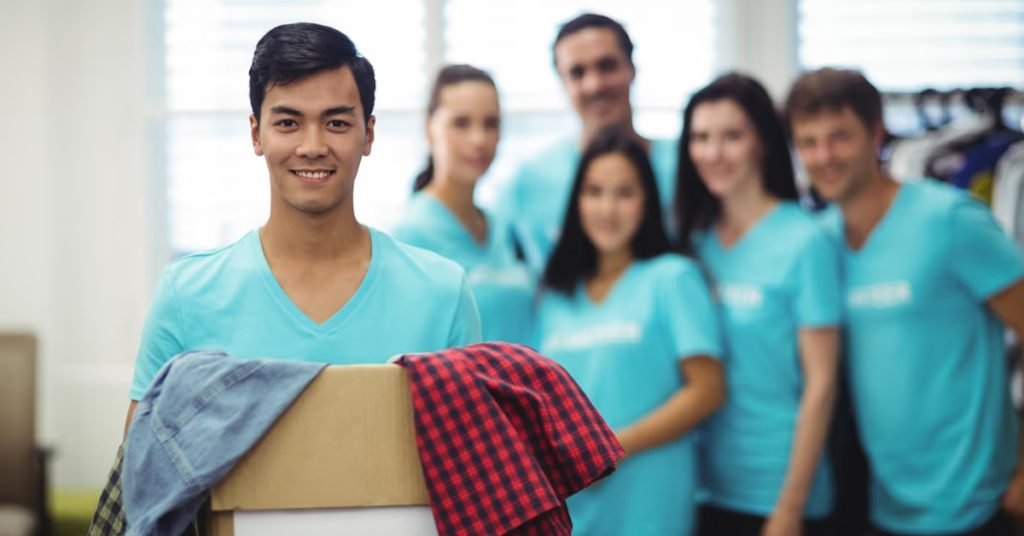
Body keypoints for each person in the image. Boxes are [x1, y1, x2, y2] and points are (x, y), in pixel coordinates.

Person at [124, 23, 481, 428]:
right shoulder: (186, 296)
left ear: (369, 134)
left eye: (337, 124)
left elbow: (473, 475)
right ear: (257, 134)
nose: (312, 147)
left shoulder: (442, 294)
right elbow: (144, 478)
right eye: (288, 123)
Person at [785, 67, 1024, 536]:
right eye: (808, 143)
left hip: (977, 505)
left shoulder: (949, 220)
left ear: (876, 134)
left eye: (839, 138)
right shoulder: (821, 243)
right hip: (884, 508)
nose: (823, 156)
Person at [535, 127, 725, 535]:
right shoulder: (556, 296)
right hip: (574, 508)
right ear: (577, 201)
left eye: (625, 193)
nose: (607, 208)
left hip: (650, 506)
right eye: (594, 191)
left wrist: (614, 448)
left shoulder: (672, 278)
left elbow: (707, 390)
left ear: (647, 201)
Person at [675, 72, 840, 536]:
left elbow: (822, 384)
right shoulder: (693, 244)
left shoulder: (805, 242)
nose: (714, 153)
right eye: (701, 138)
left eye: (732, 136)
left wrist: (790, 507)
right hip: (705, 486)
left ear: (762, 142)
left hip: (780, 492)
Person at [493, 13, 679, 274]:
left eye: (607, 66)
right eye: (577, 73)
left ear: (632, 68)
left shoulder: (686, 165)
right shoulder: (529, 180)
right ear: (562, 83)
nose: (594, 85)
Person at [392, 65, 533, 344]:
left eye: (490, 123)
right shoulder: (409, 238)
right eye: (461, 123)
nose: (479, 139)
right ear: (429, 127)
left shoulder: (504, 229)